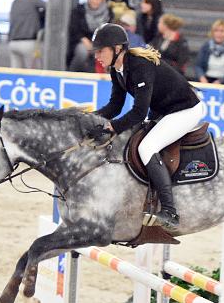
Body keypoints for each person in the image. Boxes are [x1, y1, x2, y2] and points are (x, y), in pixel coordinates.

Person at [88, 23, 207, 230]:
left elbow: (139, 112)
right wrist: (89, 119)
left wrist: (113, 127)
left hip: (186, 110)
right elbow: (114, 106)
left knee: (147, 147)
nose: (97, 55)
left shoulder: (140, 65)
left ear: (117, 49)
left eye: (101, 50)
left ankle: (170, 211)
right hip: (165, 110)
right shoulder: (117, 70)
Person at [67, 0, 113, 72]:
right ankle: (72, 73)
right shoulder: (78, 11)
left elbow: (110, 31)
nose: (94, 1)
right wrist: (84, 40)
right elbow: (74, 29)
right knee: (82, 52)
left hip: (101, 43)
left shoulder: (109, 13)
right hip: (82, 41)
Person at [7, 0, 45, 69]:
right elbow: (51, 8)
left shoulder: (15, 2)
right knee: (34, 74)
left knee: (16, 74)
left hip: (13, 43)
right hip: (28, 42)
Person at [194, 19, 224, 85]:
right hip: (206, 80)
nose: (218, 34)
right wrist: (202, 78)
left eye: (222, 31)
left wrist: (220, 81)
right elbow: (198, 66)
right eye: (216, 31)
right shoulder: (206, 46)